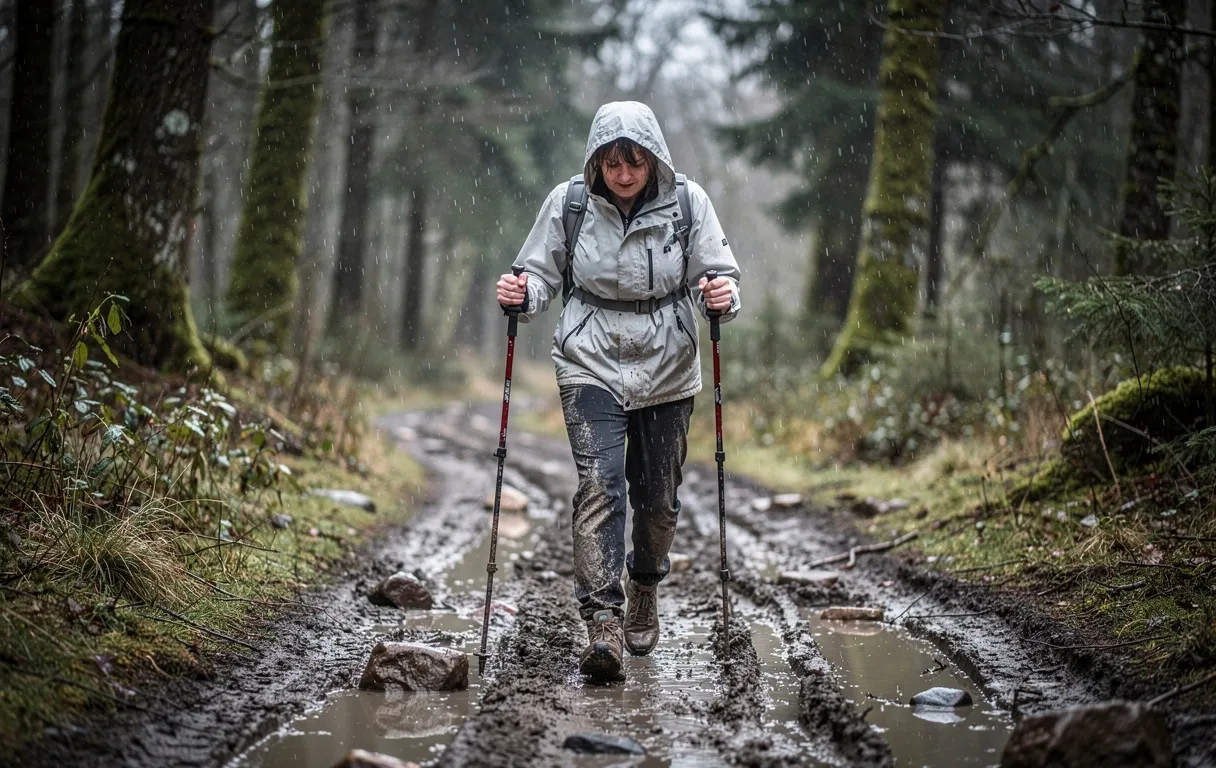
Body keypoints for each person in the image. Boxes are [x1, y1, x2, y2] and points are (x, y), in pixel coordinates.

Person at [496, 101, 741, 683]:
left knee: (657, 498)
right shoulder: (569, 204)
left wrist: (723, 297)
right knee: (599, 485)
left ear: (652, 158)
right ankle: (601, 623)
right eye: (611, 164)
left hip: (668, 367)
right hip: (590, 362)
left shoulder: (688, 203)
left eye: (633, 163)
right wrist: (521, 294)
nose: (623, 175)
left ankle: (644, 586)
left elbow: (720, 273)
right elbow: (538, 274)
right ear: (596, 163)